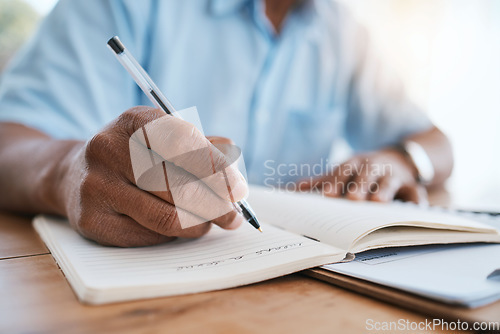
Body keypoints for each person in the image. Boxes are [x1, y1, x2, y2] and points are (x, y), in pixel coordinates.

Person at [0, 0, 453, 246]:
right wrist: (68, 169)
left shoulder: (344, 32)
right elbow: (9, 140)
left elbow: (437, 144)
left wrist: (401, 159)